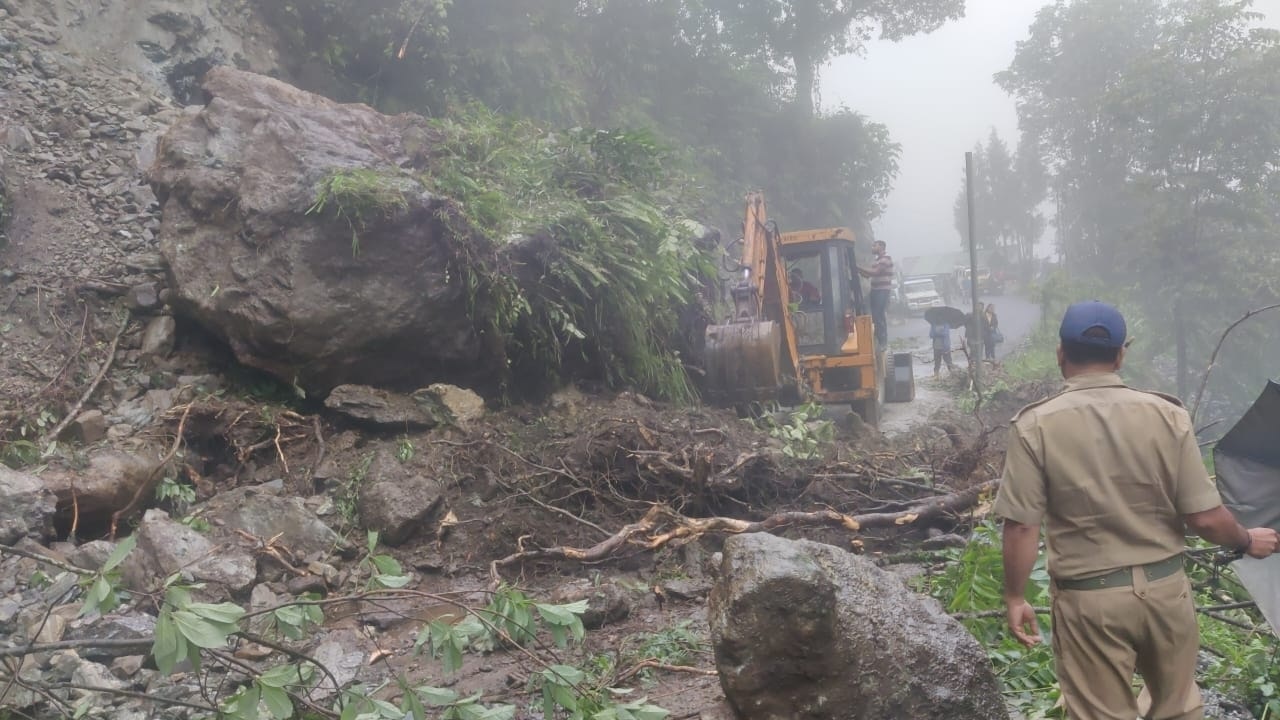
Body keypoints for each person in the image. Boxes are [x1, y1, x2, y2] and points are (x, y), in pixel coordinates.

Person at [995, 301, 1279, 720]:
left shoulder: (1036, 425)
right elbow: (1203, 517)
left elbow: (1021, 526)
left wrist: (1016, 595)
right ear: (1120, 355)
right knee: (1178, 710)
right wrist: (1246, 538)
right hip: (1167, 593)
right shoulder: (1168, 415)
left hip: (1090, 603)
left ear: (1061, 354)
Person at [857, 240, 893, 347]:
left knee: (878, 314)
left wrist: (858, 267)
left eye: (874, 246)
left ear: (881, 247)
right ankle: (875, 336)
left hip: (882, 290)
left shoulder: (885, 259)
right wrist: (857, 270)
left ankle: (882, 341)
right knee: (865, 308)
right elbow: (867, 275)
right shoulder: (877, 261)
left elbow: (875, 272)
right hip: (875, 290)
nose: (872, 247)